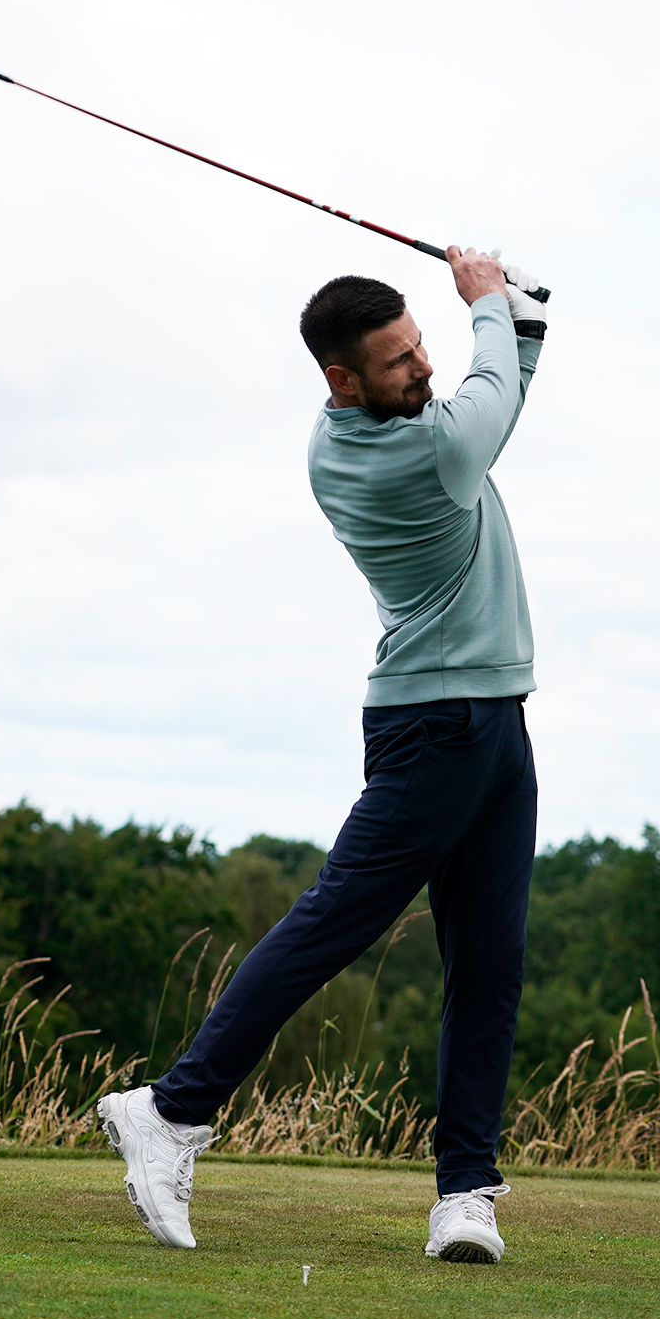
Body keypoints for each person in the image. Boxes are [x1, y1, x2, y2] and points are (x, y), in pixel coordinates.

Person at [97, 245, 548, 1263]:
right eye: (397, 361)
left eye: (421, 346)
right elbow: (486, 404)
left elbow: (493, 389)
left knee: (489, 963)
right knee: (332, 923)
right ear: (342, 379)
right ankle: (168, 1110)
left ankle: (464, 1193)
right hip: (433, 726)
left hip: (490, 720)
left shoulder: (377, 426)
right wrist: (492, 306)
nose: (421, 368)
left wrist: (516, 324)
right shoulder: (412, 453)